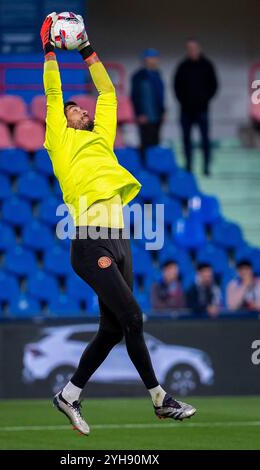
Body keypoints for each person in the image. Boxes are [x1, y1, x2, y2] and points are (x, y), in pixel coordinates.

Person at [40, 14, 196, 436]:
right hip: (89, 242)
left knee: (112, 329)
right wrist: (50, 51)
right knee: (133, 315)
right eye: (73, 108)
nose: (79, 109)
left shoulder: (100, 135)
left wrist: (88, 49)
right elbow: (53, 93)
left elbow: (107, 90)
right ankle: (160, 399)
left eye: (81, 107)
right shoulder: (60, 140)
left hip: (120, 241)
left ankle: (69, 395)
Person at [174, 39, 218, 175]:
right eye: (189, 48)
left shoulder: (207, 65)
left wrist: (204, 99)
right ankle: (188, 166)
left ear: (199, 49)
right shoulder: (182, 66)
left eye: (194, 48)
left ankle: (206, 167)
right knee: (186, 139)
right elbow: (176, 87)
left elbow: (214, 85)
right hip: (186, 111)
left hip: (202, 110)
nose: (192, 51)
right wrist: (184, 101)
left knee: (205, 139)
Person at [131, 48, 166, 158]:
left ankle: (155, 168)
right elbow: (135, 97)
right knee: (145, 142)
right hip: (145, 116)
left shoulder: (157, 75)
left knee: (156, 142)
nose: (155, 61)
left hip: (157, 116)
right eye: (152, 58)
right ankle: (145, 169)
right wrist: (139, 114)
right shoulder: (138, 76)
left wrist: (163, 112)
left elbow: (160, 95)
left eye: (156, 58)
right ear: (146, 60)